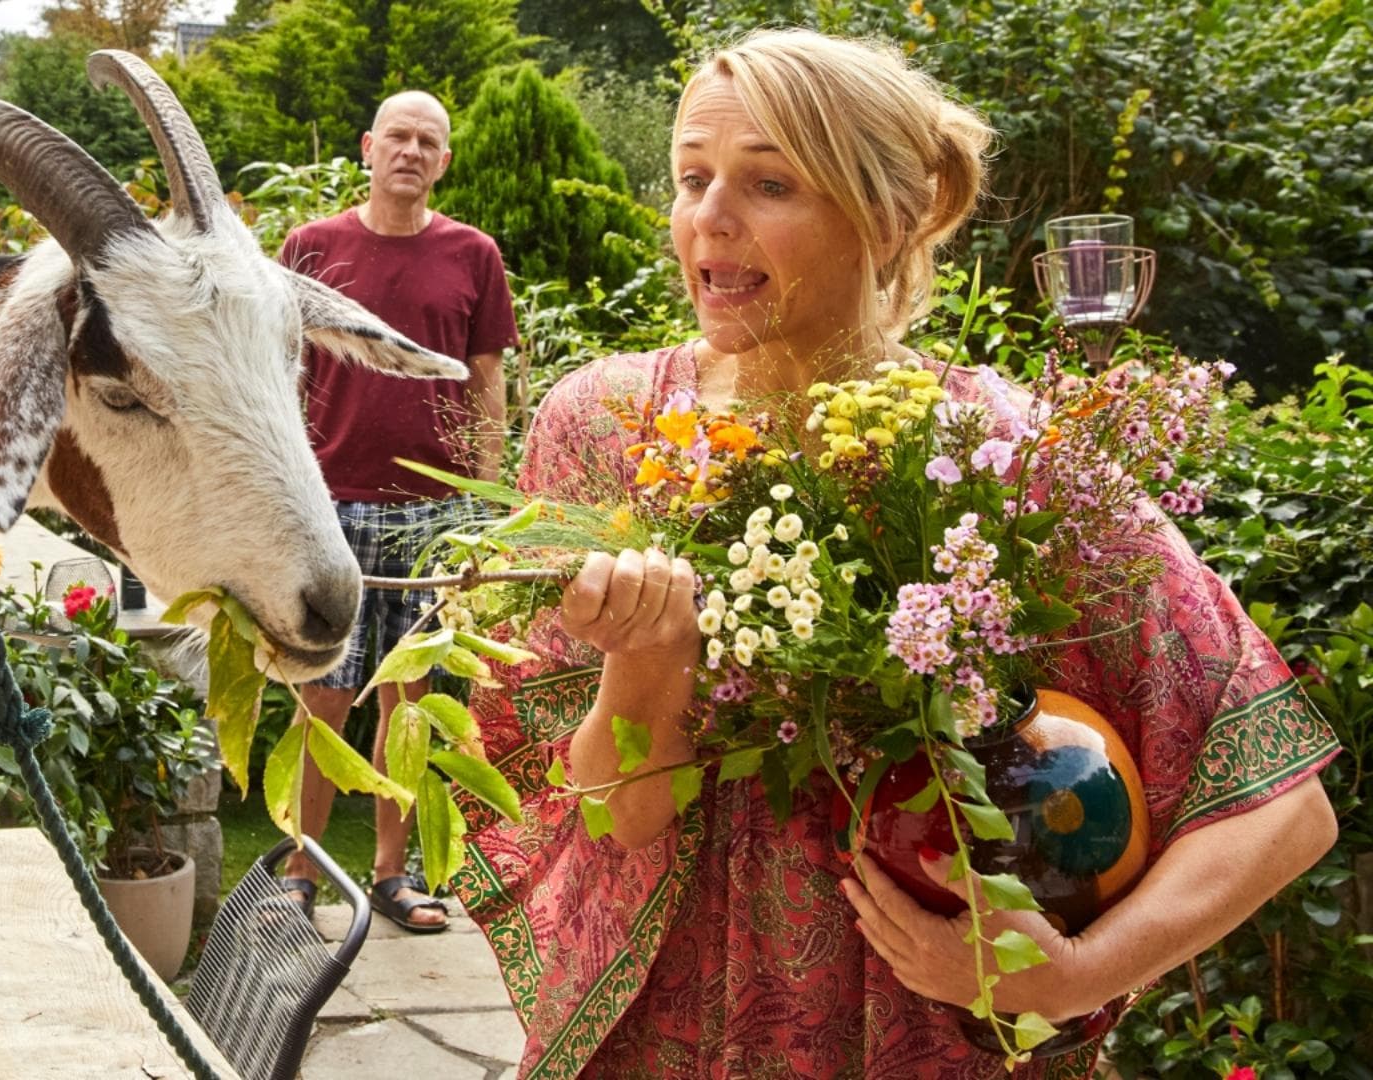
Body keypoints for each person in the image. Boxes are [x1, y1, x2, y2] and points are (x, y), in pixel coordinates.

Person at [454, 28, 1340, 1077]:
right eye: (693, 178)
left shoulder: (995, 450)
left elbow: (1286, 810)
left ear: (890, 216)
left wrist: (1074, 975)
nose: (711, 219)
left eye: (769, 184)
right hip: (669, 1035)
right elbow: (621, 819)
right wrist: (649, 659)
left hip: (916, 1039)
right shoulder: (603, 426)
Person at [277, 90, 520, 931]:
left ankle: (390, 874)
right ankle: (300, 871)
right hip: (328, 507)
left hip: (434, 515)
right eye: (399, 138)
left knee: (408, 706)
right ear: (368, 148)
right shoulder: (311, 247)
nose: (412, 152)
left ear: (443, 161)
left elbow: (487, 382)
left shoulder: (473, 255)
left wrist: (484, 500)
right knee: (324, 700)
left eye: (429, 142)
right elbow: (282, 373)